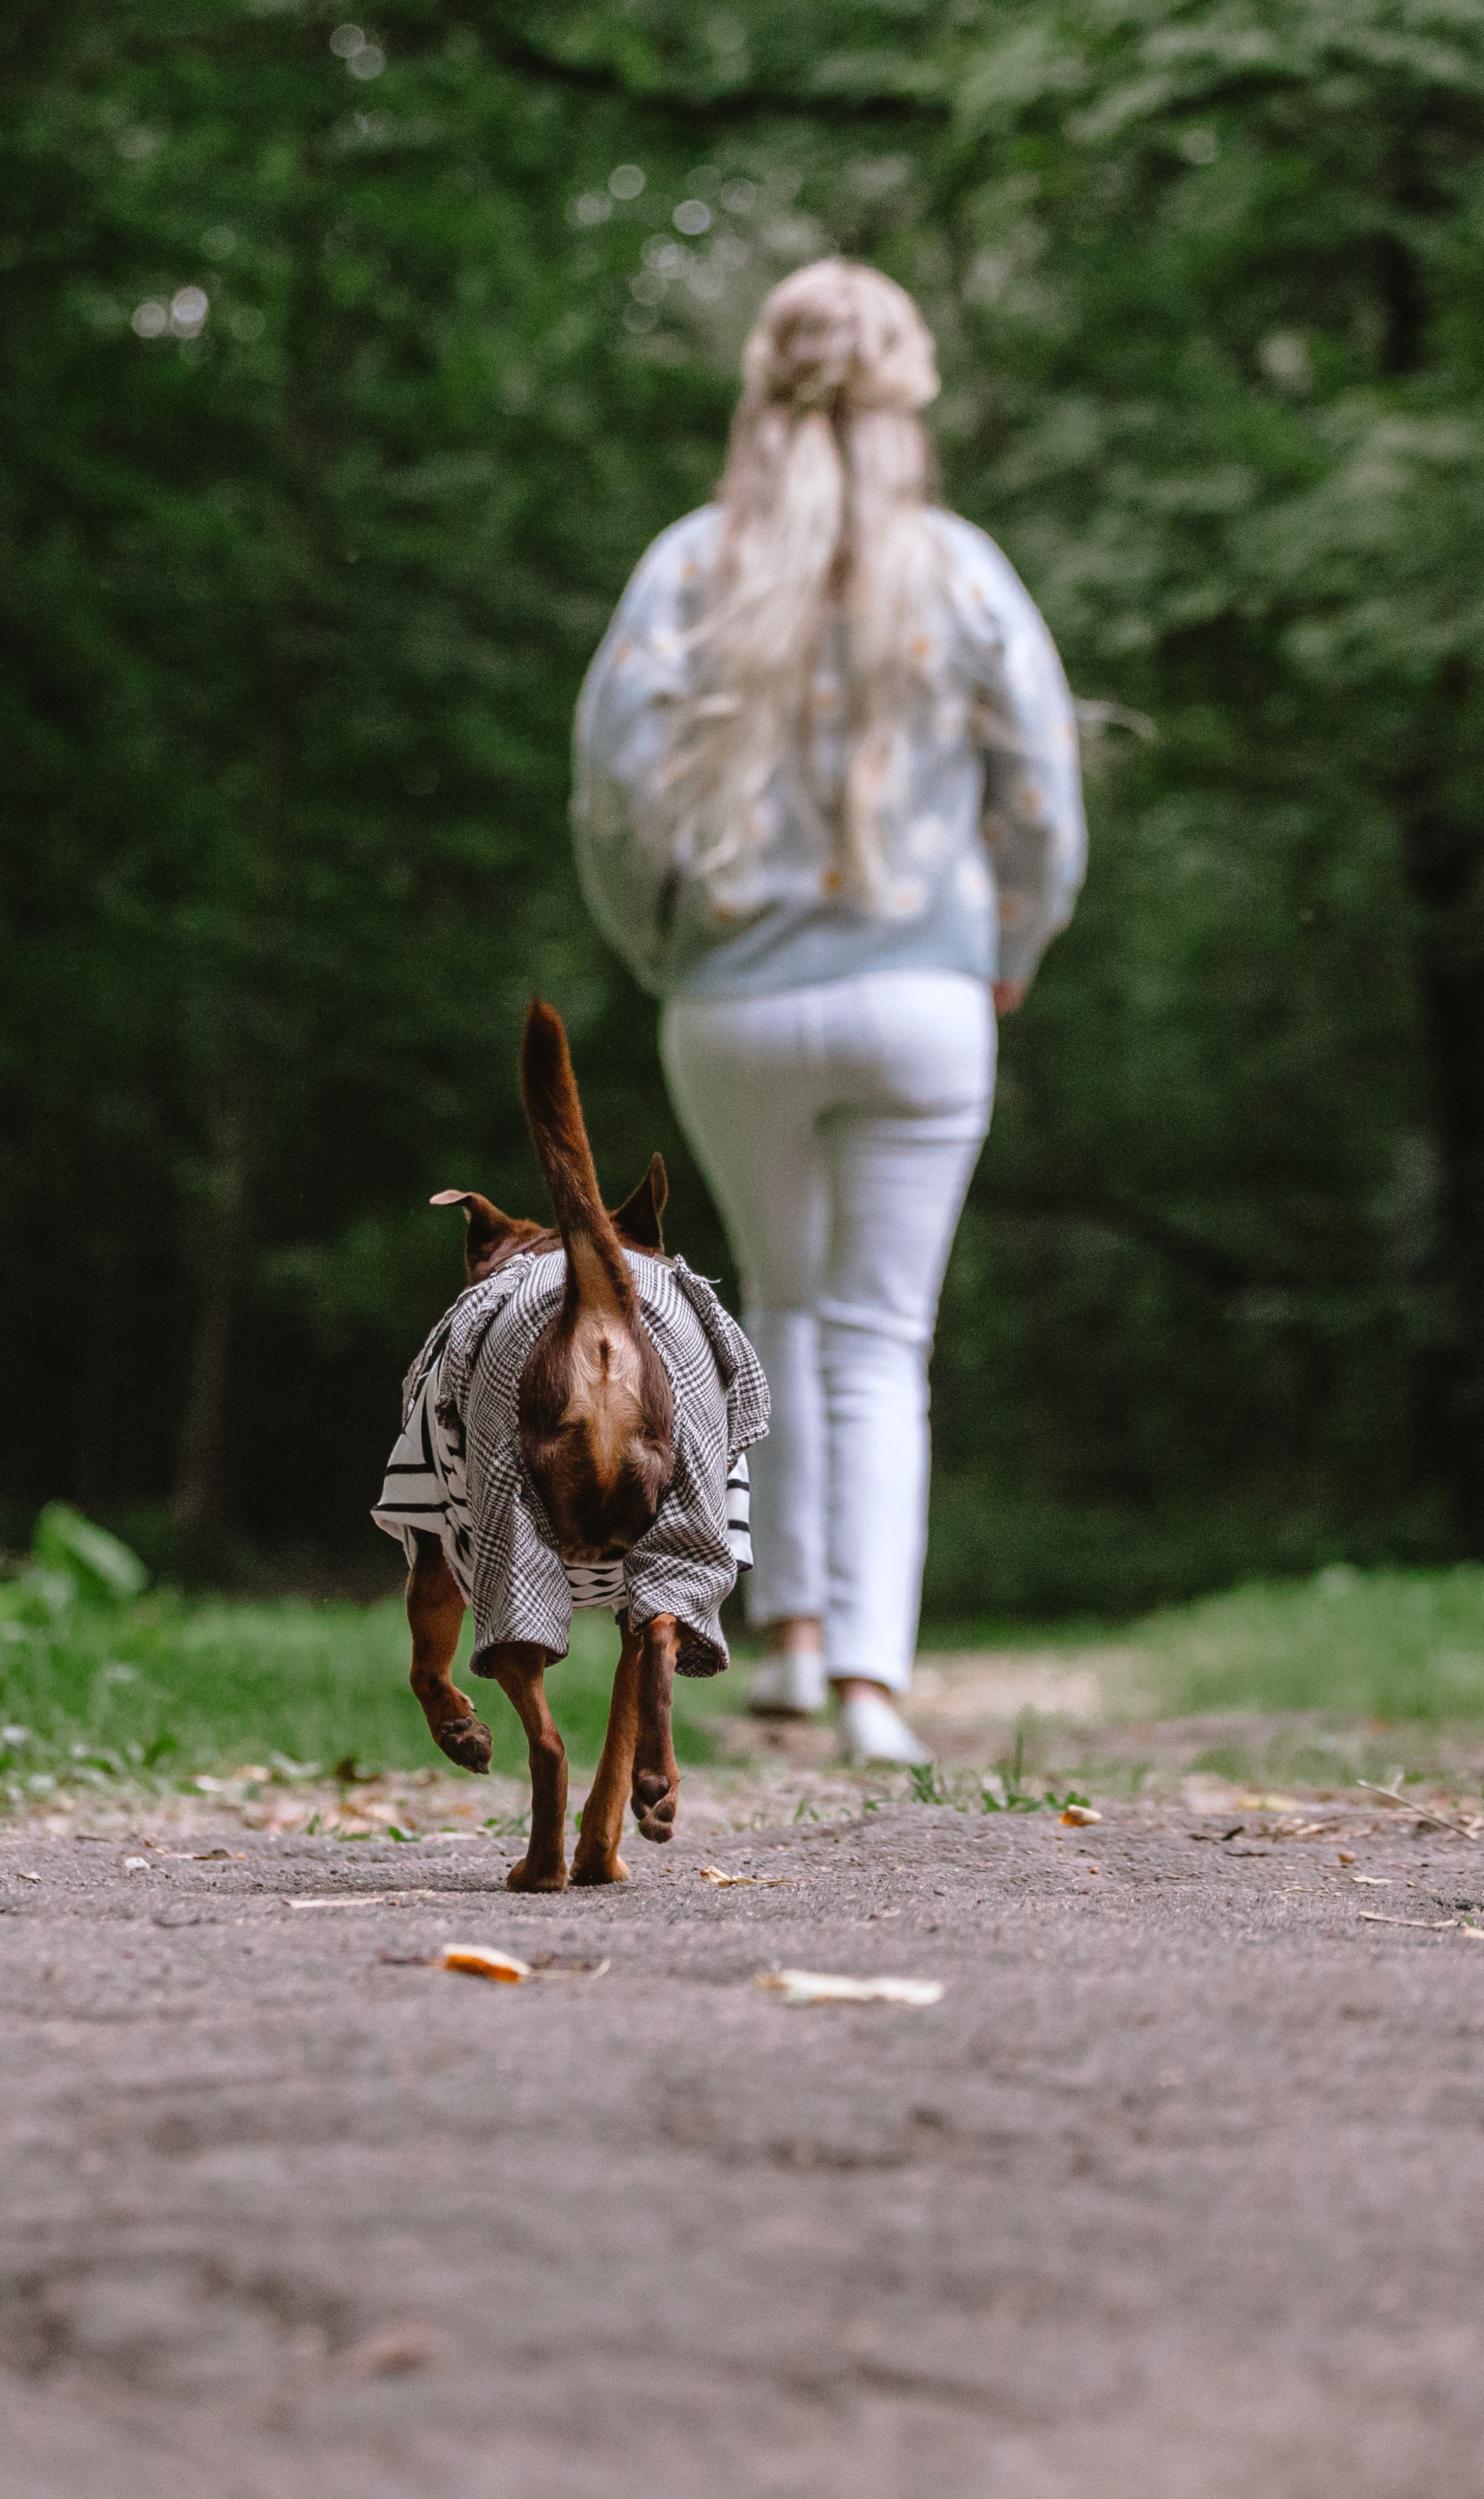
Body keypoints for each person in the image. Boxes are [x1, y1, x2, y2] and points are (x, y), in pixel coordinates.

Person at [572, 258, 1084, 1763]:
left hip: (732, 998)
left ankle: (787, 1645)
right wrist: (1018, 941)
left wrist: (658, 942)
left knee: (781, 1311)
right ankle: (871, 1683)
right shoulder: (961, 569)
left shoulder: (687, 566)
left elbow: (608, 794)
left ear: (758, 385)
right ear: (909, 395)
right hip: (927, 994)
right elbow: (1043, 798)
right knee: (879, 1335)